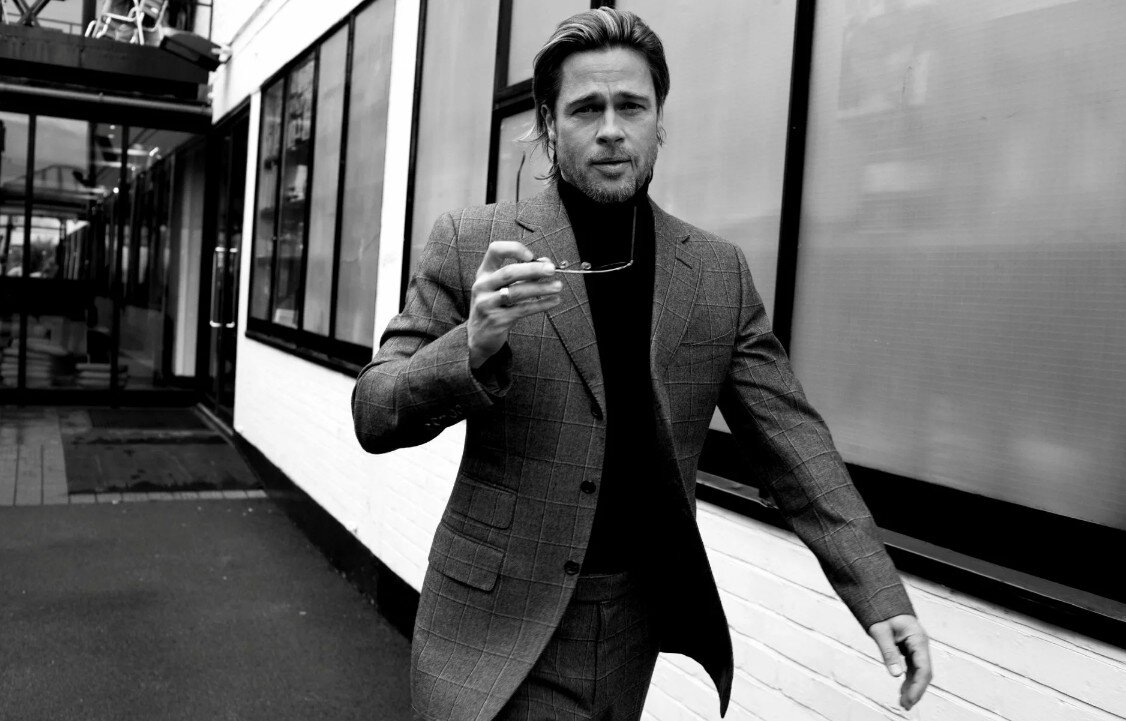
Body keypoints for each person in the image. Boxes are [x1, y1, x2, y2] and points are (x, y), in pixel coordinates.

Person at [352, 8, 932, 721]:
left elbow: (793, 441)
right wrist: (469, 346)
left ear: (660, 121)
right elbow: (375, 412)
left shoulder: (715, 273)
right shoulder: (476, 245)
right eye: (585, 109)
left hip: (630, 628)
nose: (610, 130)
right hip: (491, 621)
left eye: (631, 106)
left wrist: (878, 593)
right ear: (548, 123)